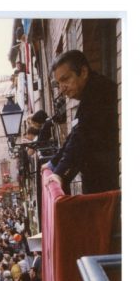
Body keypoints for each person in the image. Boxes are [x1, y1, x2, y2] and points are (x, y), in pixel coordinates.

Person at [45, 49, 119, 194]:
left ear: (83, 72)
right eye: (58, 83)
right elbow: (75, 134)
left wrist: (60, 173)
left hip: (109, 185)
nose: (61, 89)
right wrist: (53, 163)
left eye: (65, 79)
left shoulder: (98, 93)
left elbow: (81, 137)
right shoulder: (92, 90)